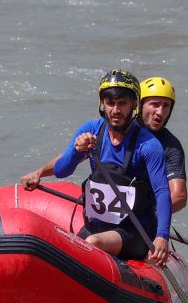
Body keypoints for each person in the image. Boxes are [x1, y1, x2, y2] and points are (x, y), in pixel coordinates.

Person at [23, 70, 171, 264]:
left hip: (134, 230)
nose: (116, 110)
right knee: (62, 247)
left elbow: (162, 192)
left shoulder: (149, 145)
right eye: (110, 103)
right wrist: (78, 150)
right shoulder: (90, 130)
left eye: (122, 103)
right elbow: (62, 171)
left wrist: (162, 236)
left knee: (92, 242)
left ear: (134, 104)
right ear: (102, 103)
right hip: (97, 225)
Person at [136, 76, 188, 213]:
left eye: (166, 106)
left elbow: (179, 196)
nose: (160, 112)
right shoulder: (120, 129)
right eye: (155, 104)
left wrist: (148, 216)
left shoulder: (171, 146)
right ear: (139, 105)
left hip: (141, 214)